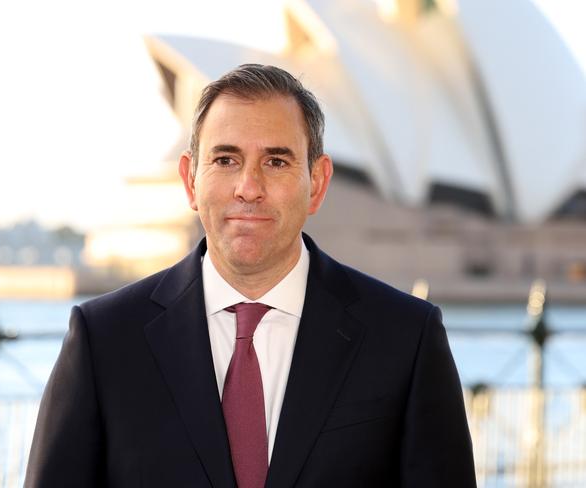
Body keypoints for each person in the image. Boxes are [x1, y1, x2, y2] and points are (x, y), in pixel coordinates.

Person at [25, 64, 476, 487]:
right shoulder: (104, 340)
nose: (249, 187)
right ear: (190, 182)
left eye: (276, 162)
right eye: (226, 160)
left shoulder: (405, 339)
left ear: (316, 183)